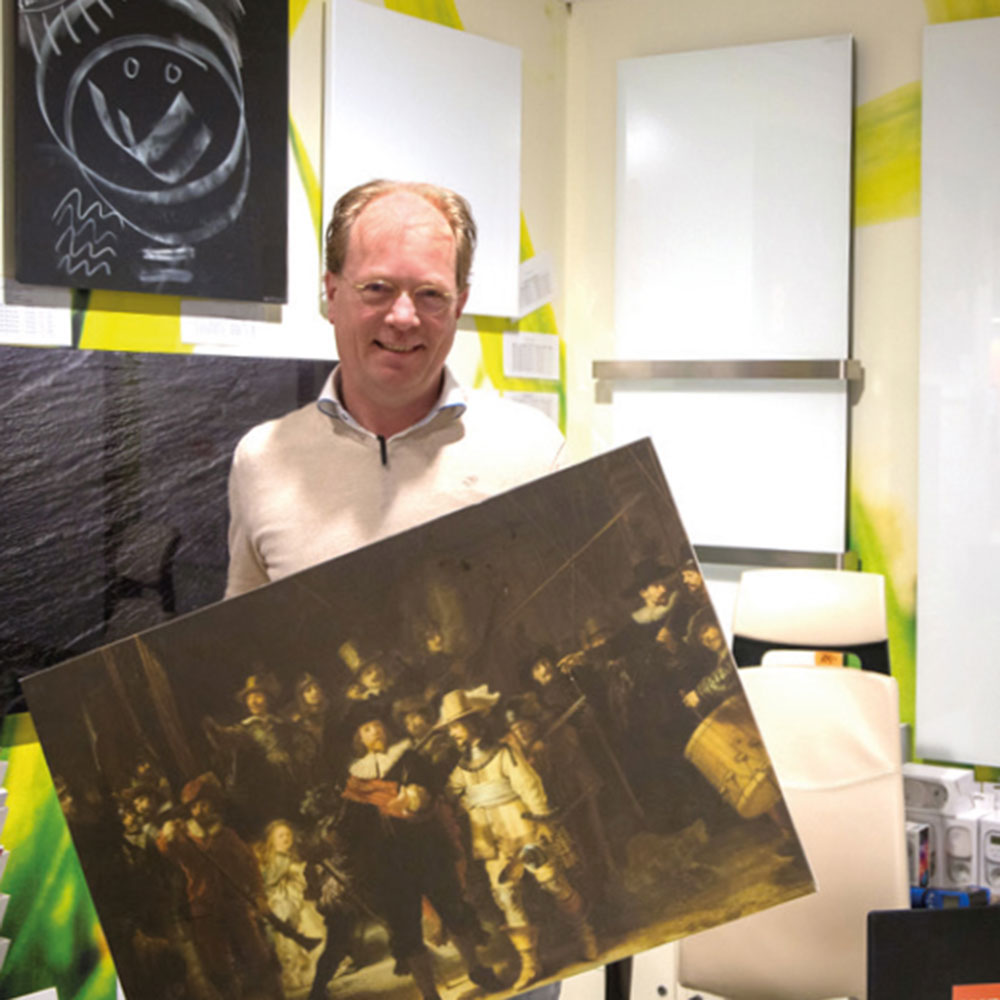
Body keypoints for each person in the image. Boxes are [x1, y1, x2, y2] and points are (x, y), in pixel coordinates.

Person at [225, 179, 564, 597]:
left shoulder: (535, 454)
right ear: (332, 294)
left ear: (458, 305)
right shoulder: (261, 461)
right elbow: (246, 633)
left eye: (431, 294)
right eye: (377, 288)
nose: (404, 317)